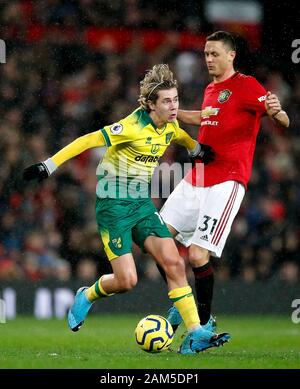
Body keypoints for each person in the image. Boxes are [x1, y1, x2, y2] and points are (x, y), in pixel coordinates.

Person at [22, 64, 230, 354]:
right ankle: (88, 293)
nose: (174, 107)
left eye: (176, 100)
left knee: (173, 262)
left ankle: (195, 332)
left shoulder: (170, 127)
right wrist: (49, 165)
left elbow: (181, 137)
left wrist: (196, 150)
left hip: (141, 204)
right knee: (127, 280)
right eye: (167, 102)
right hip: (113, 207)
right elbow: (86, 140)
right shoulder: (130, 127)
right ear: (150, 105)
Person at [159, 32, 290, 332]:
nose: (208, 59)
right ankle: (185, 303)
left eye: (214, 54)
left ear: (231, 55)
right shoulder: (210, 90)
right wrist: (174, 114)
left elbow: (281, 119)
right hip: (197, 177)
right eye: (206, 54)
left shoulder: (246, 86)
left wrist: (276, 111)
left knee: (197, 254)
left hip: (226, 181)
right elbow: (206, 118)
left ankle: (202, 327)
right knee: (157, 240)